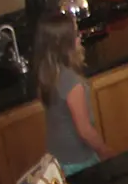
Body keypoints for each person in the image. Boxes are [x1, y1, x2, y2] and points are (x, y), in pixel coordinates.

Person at [34, 17, 113, 175]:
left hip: (56, 157)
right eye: (76, 34)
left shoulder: (46, 71)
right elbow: (84, 130)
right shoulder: (71, 82)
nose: (80, 37)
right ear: (64, 45)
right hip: (78, 161)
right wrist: (105, 151)